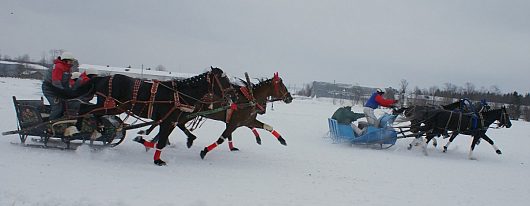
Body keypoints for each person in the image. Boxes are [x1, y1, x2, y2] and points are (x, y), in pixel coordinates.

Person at [41, 52, 77, 120]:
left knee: (65, 105)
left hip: (57, 89)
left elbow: (66, 83)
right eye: (71, 61)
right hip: (49, 89)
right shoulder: (58, 67)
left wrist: (69, 91)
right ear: (65, 60)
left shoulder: (68, 69)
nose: (72, 62)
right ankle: (50, 124)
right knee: (57, 107)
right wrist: (63, 92)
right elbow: (56, 82)